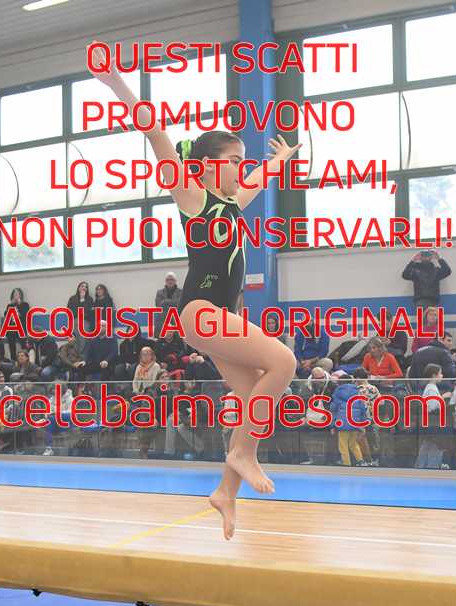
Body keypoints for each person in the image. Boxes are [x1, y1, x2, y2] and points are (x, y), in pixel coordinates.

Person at [94, 45, 300, 538]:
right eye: (234, 161)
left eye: (244, 161)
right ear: (206, 166)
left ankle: (225, 492)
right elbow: (155, 132)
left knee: (254, 398)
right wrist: (117, 83)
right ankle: (242, 454)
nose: (242, 168)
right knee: (285, 362)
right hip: (201, 311)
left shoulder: (231, 203)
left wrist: (280, 160)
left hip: (216, 316)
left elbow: (257, 180)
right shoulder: (193, 196)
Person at [414, 364, 451, 470]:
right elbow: (433, 407)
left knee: (428, 445)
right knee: (435, 446)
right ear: (434, 375)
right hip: (433, 423)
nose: (442, 375)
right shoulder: (431, 389)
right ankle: (432, 467)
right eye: (440, 373)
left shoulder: (431, 388)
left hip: (430, 422)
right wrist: (444, 397)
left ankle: (421, 467)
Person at [3, 288, 30, 360]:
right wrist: (11, 305)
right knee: (11, 346)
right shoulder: (10, 305)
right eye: (14, 294)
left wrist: (19, 304)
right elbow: (6, 316)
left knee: (24, 345)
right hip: (11, 328)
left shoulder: (25, 305)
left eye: (17, 294)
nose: (16, 295)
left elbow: (25, 315)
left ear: (20, 295)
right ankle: (13, 360)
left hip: (21, 328)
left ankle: (25, 360)